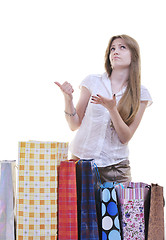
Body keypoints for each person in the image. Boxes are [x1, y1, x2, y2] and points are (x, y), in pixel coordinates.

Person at [55, 34, 152, 183]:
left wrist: (112, 109)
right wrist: (68, 99)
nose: (115, 51)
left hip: (116, 168)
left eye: (122, 47)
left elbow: (125, 137)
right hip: (81, 162)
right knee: (80, 207)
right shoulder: (92, 81)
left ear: (134, 55)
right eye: (112, 48)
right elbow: (74, 125)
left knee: (120, 207)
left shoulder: (141, 93)